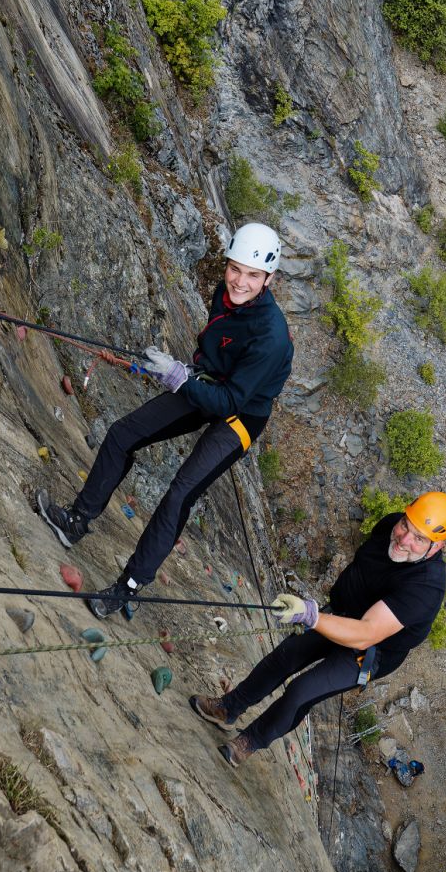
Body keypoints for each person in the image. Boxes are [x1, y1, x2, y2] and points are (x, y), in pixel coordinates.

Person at [36, 223, 293, 618]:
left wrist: (179, 380)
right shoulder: (225, 294)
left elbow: (229, 402)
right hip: (210, 383)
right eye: (235, 269)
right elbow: (214, 351)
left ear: (269, 279)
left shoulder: (271, 336)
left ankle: (128, 587)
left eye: (253, 275)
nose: (240, 282)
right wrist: (184, 371)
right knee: (123, 434)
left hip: (241, 415)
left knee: (180, 493)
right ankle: (76, 521)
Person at [190, 491, 446, 767]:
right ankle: (228, 707)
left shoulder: (426, 587)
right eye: (405, 525)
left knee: (301, 692)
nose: (403, 539)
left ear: (436, 546)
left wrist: (311, 616)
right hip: (343, 612)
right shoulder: (389, 526)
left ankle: (249, 742)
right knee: (286, 655)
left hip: (369, 650)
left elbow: (366, 632)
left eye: (419, 539)